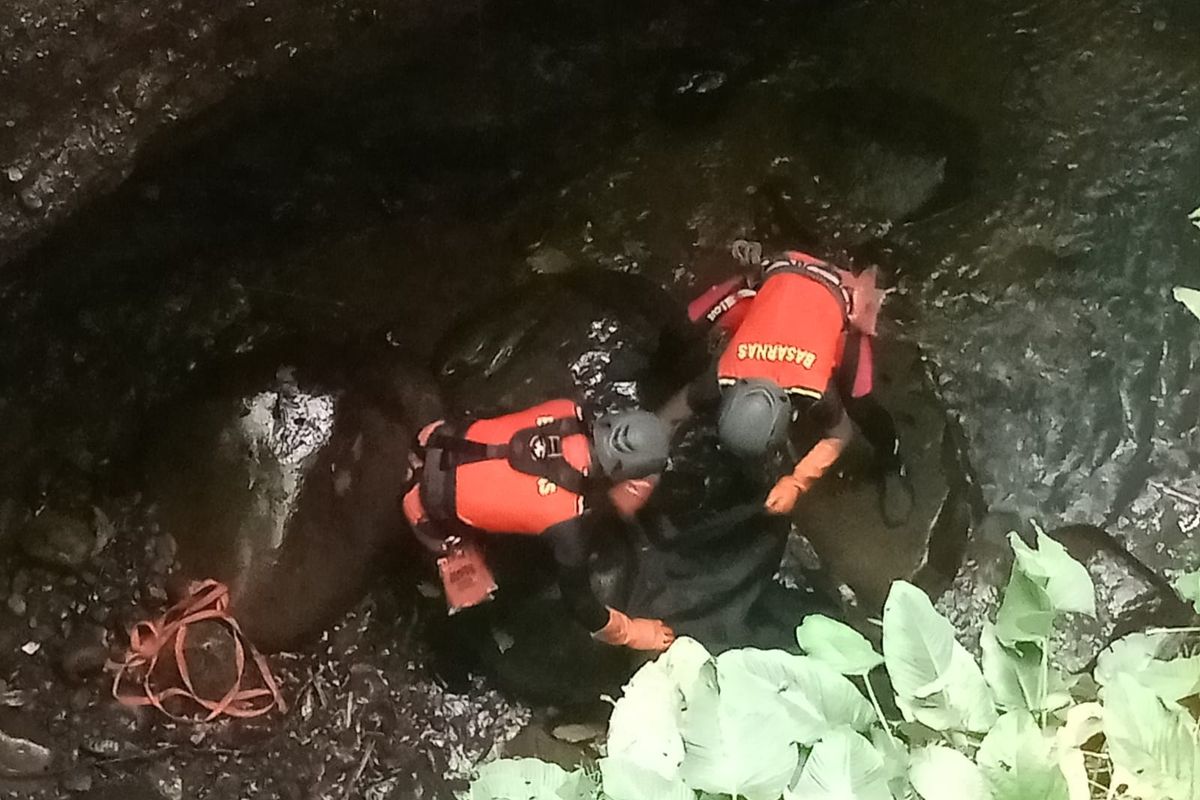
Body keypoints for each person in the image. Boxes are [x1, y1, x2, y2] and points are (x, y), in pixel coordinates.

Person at [401, 398, 677, 652]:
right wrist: (630, 632)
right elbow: (581, 605)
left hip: (434, 439)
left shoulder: (568, 409)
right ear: (633, 486)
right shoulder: (567, 520)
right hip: (427, 510)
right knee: (485, 586)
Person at [681, 242, 914, 526]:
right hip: (785, 271)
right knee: (688, 326)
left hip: (836, 289)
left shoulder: (813, 389)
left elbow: (840, 434)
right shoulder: (722, 374)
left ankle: (890, 459)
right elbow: (677, 410)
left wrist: (797, 481)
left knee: (858, 397)